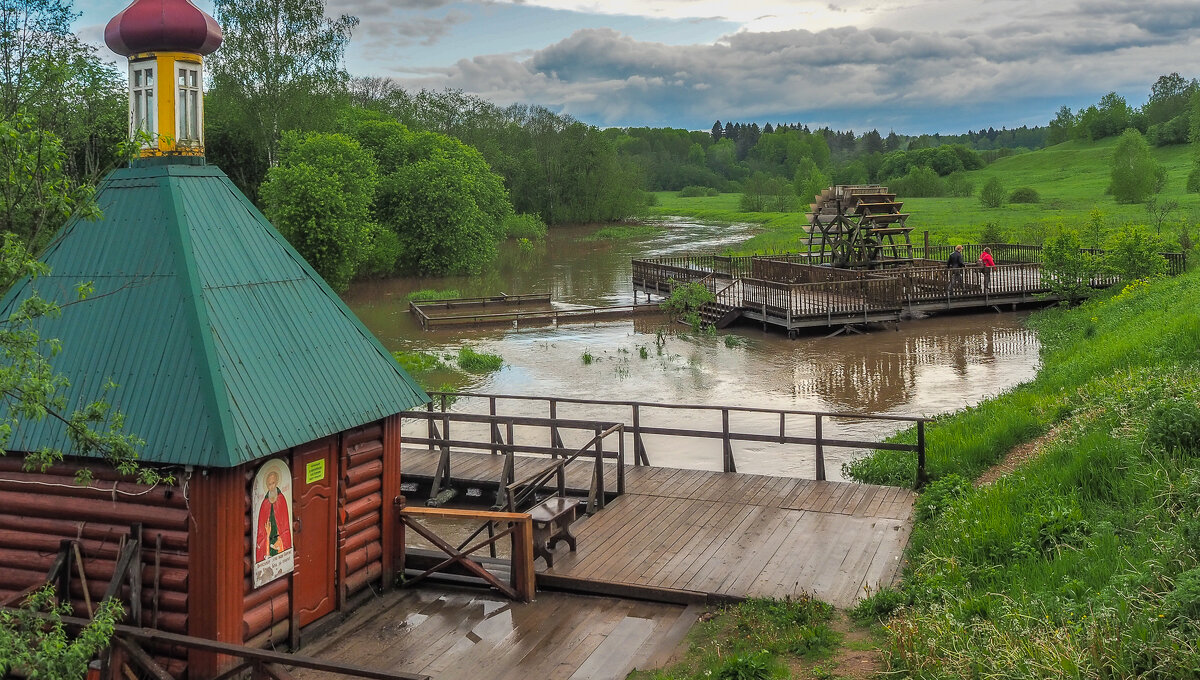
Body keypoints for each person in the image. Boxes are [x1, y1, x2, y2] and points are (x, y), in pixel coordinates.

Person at [255, 468, 292, 561]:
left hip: (280, 538)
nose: (271, 487)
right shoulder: (264, 503)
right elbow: (261, 529)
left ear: (276, 483)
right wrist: (266, 535)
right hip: (268, 539)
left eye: (273, 483)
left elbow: (285, 524)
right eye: (269, 484)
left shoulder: (281, 499)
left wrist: (281, 538)